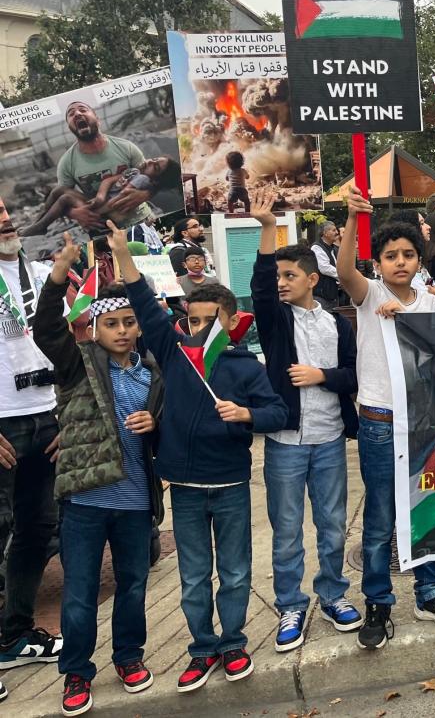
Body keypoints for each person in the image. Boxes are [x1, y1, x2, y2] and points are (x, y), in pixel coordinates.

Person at [111, 226, 288, 693]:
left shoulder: (245, 367)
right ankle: (202, 648)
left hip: (230, 484)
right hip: (185, 487)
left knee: (234, 574)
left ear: (230, 322)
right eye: (193, 321)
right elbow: (146, 306)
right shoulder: (173, 355)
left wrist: (246, 412)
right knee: (193, 578)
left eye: (211, 320)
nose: (200, 329)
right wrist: (120, 258)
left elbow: (278, 411)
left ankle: (233, 643)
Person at [33, 241, 162, 717]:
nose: (123, 331)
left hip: (134, 502)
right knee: (81, 590)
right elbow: (46, 327)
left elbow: (167, 428)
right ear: (95, 326)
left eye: (129, 322)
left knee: (133, 586)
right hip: (85, 502)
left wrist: (156, 423)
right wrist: (60, 271)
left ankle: (128, 658)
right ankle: (76, 673)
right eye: (112, 323)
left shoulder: (152, 372)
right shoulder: (78, 364)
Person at [337, 185, 435, 644]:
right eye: (390, 255)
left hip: (423, 425)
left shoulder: (430, 304)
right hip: (377, 423)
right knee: (379, 518)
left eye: (408, 254)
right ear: (378, 262)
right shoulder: (368, 294)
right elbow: (343, 269)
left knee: (425, 510)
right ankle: (377, 603)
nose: (400, 261)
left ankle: (430, 591)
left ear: (419, 260)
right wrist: (355, 219)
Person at [250, 190, 363, 654]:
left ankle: (333, 593)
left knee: (333, 523)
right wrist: (267, 229)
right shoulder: (276, 322)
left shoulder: (337, 324)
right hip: (285, 443)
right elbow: (258, 288)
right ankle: (290, 604)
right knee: (288, 528)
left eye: (289, 275)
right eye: (278, 274)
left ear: (312, 279)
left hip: (331, 439)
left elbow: (355, 373)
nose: (280, 282)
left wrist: (323, 376)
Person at [0, 195, 63, 678]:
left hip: (47, 414)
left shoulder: (41, 275)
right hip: (2, 423)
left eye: (5, 212)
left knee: (37, 529)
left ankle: (15, 633)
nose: (4, 219)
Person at [54, 102, 153, 230]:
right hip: (102, 230)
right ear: (70, 127)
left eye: (83, 110)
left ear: (97, 119)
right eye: (71, 114)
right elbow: (63, 201)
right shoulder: (66, 162)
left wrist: (146, 194)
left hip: (142, 221)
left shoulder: (126, 147)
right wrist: (74, 213)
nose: (77, 114)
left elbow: (152, 177)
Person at [22, 157, 177, 237]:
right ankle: (39, 223)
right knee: (59, 190)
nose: (150, 162)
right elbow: (110, 180)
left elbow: (117, 201)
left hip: (103, 214)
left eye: (155, 167)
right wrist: (100, 197)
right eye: (154, 159)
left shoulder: (142, 180)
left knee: (64, 198)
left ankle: (40, 225)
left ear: (157, 180)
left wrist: (95, 209)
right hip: (100, 203)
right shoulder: (137, 173)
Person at [312, 221, 341, 305]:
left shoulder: (333, 248)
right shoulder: (317, 247)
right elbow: (325, 268)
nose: (336, 232)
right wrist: (342, 276)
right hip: (322, 296)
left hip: (333, 294)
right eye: (333, 230)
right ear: (325, 233)